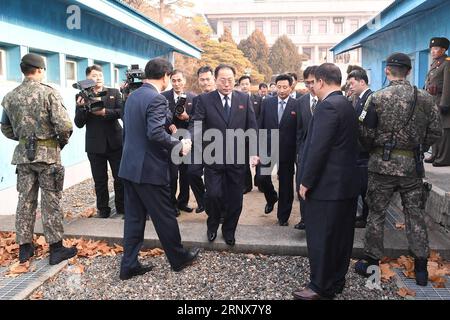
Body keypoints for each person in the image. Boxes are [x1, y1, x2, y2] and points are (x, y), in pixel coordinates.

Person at [355, 53, 442, 287]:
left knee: (376, 214)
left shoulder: (376, 98)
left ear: (387, 71)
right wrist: (417, 146)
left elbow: (365, 134)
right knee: (415, 216)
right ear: (409, 71)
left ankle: (371, 264)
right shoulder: (424, 98)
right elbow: (436, 132)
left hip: (380, 167)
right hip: (412, 169)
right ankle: (421, 269)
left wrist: (373, 148)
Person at [118, 58, 199, 280]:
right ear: (164, 76)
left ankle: (129, 265)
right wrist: (179, 145)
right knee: (165, 216)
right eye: (169, 77)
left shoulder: (133, 96)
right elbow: (155, 133)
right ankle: (179, 258)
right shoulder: (156, 99)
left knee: (134, 219)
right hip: (149, 170)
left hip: (130, 167)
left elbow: (130, 133)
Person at [1, 53, 77, 265]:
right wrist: (59, 143)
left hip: (23, 157)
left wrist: (24, 138)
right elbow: (64, 126)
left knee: (25, 201)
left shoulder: (10, 97)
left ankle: (25, 249)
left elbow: (5, 128)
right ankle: (56, 249)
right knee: (50, 201)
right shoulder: (49, 93)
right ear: (40, 70)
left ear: (23, 70)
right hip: (48, 156)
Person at [294, 63, 360, 300]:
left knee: (321, 237)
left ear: (321, 81)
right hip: (345, 186)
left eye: (314, 83)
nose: (312, 87)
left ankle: (319, 286)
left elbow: (317, 148)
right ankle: (336, 280)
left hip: (327, 187)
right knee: (341, 237)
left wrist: (306, 181)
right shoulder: (347, 104)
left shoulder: (327, 106)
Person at [189, 64, 258, 246]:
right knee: (213, 195)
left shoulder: (243, 98)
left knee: (236, 199)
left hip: (237, 158)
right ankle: (212, 225)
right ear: (215, 79)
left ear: (234, 80)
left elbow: (251, 126)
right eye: (222, 80)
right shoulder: (205, 100)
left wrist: (254, 152)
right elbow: (197, 125)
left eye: (230, 80)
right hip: (213, 157)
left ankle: (229, 230)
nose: (226, 84)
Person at [74, 64, 124, 218]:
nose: (98, 79)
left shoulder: (114, 93)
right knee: (100, 180)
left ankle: (122, 207)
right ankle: (103, 209)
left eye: (100, 76)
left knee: (120, 177)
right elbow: (78, 123)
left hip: (115, 142)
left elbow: (121, 112)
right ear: (87, 79)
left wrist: (105, 112)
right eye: (94, 76)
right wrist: (81, 108)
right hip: (95, 145)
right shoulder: (81, 96)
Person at [257, 74, 300, 226]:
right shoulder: (267, 103)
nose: (281, 90)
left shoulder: (297, 104)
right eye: (279, 87)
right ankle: (271, 197)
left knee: (286, 184)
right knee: (261, 178)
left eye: (285, 87)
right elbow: (260, 125)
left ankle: (283, 217)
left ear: (291, 87)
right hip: (268, 147)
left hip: (288, 150)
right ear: (274, 87)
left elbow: (299, 130)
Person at [162, 70, 196, 215]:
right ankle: (172, 204)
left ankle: (183, 202)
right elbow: (159, 116)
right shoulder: (163, 97)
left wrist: (187, 117)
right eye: (174, 80)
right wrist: (169, 124)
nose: (177, 83)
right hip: (171, 141)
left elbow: (197, 119)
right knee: (172, 175)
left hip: (188, 141)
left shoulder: (193, 98)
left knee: (186, 174)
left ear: (184, 81)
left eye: (179, 80)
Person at [187, 65, 217, 214]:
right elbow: (194, 122)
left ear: (214, 79)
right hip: (199, 145)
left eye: (208, 79)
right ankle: (203, 201)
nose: (205, 82)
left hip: (218, 146)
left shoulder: (221, 97)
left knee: (214, 182)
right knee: (192, 172)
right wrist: (189, 137)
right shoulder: (196, 99)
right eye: (202, 80)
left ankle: (219, 211)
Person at [347, 69, 373, 228]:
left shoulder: (370, 98)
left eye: (352, 83)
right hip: (358, 151)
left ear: (362, 82)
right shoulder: (359, 98)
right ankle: (363, 215)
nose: (350, 86)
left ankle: (366, 217)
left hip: (365, 151)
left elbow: (368, 125)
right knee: (361, 186)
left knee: (365, 188)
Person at [295, 66, 318, 230]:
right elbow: (298, 130)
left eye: (313, 82)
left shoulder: (329, 101)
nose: (310, 86)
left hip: (323, 152)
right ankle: (304, 219)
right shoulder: (301, 102)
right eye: (307, 82)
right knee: (301, 185)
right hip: (304, 152)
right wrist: (299, 152)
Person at [424, 37, 450, 167]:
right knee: (434, 129)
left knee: (444, 130)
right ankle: (434, 154)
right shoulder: (435, 63)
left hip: (441, 101)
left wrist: (445, 104)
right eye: (431, 49)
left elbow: (447, 85)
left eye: (436, 49)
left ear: (443, 50)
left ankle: (443, 158)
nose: (433, 51)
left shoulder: (447, 63)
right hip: (433, 101)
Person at [239, 75, 262, 194]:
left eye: (246, 83)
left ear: (250, 85)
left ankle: (259, 182)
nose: (244, 86)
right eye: (242, 84)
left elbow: (260, 117)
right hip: (242, 136)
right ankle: (246, 185)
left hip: (256, 135)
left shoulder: (258, 99)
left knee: (257, 159)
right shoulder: (237, 100)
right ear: (239, 85)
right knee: (243, 162)